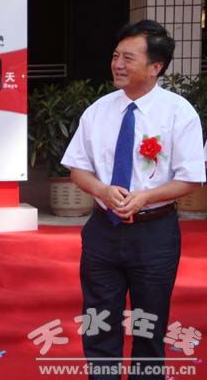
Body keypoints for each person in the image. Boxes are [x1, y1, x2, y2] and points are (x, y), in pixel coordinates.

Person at [61, 20, 205, 379]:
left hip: (154, 233)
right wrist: (102, 190)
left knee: (149, 328)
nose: (118, 64)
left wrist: (146, 197)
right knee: (98, 323)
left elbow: (191, 178)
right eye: (115, 56)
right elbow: (77, 169)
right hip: (102, 231)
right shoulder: (98, 111)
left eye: (128, 58)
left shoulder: (179, 113)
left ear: (156, 67)